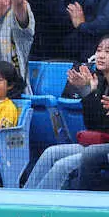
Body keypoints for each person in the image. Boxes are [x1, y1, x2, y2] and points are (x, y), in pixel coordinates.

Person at [25, 47, 109, 189]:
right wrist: (88, 92)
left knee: (62, 165)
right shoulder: (99, 83)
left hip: (101, 149)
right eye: (99, 50)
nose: (101, 55)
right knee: (51, 153)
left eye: (107, 51)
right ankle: (24, 200)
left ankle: (38, 207)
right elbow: (94, 125)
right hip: (98, 144)